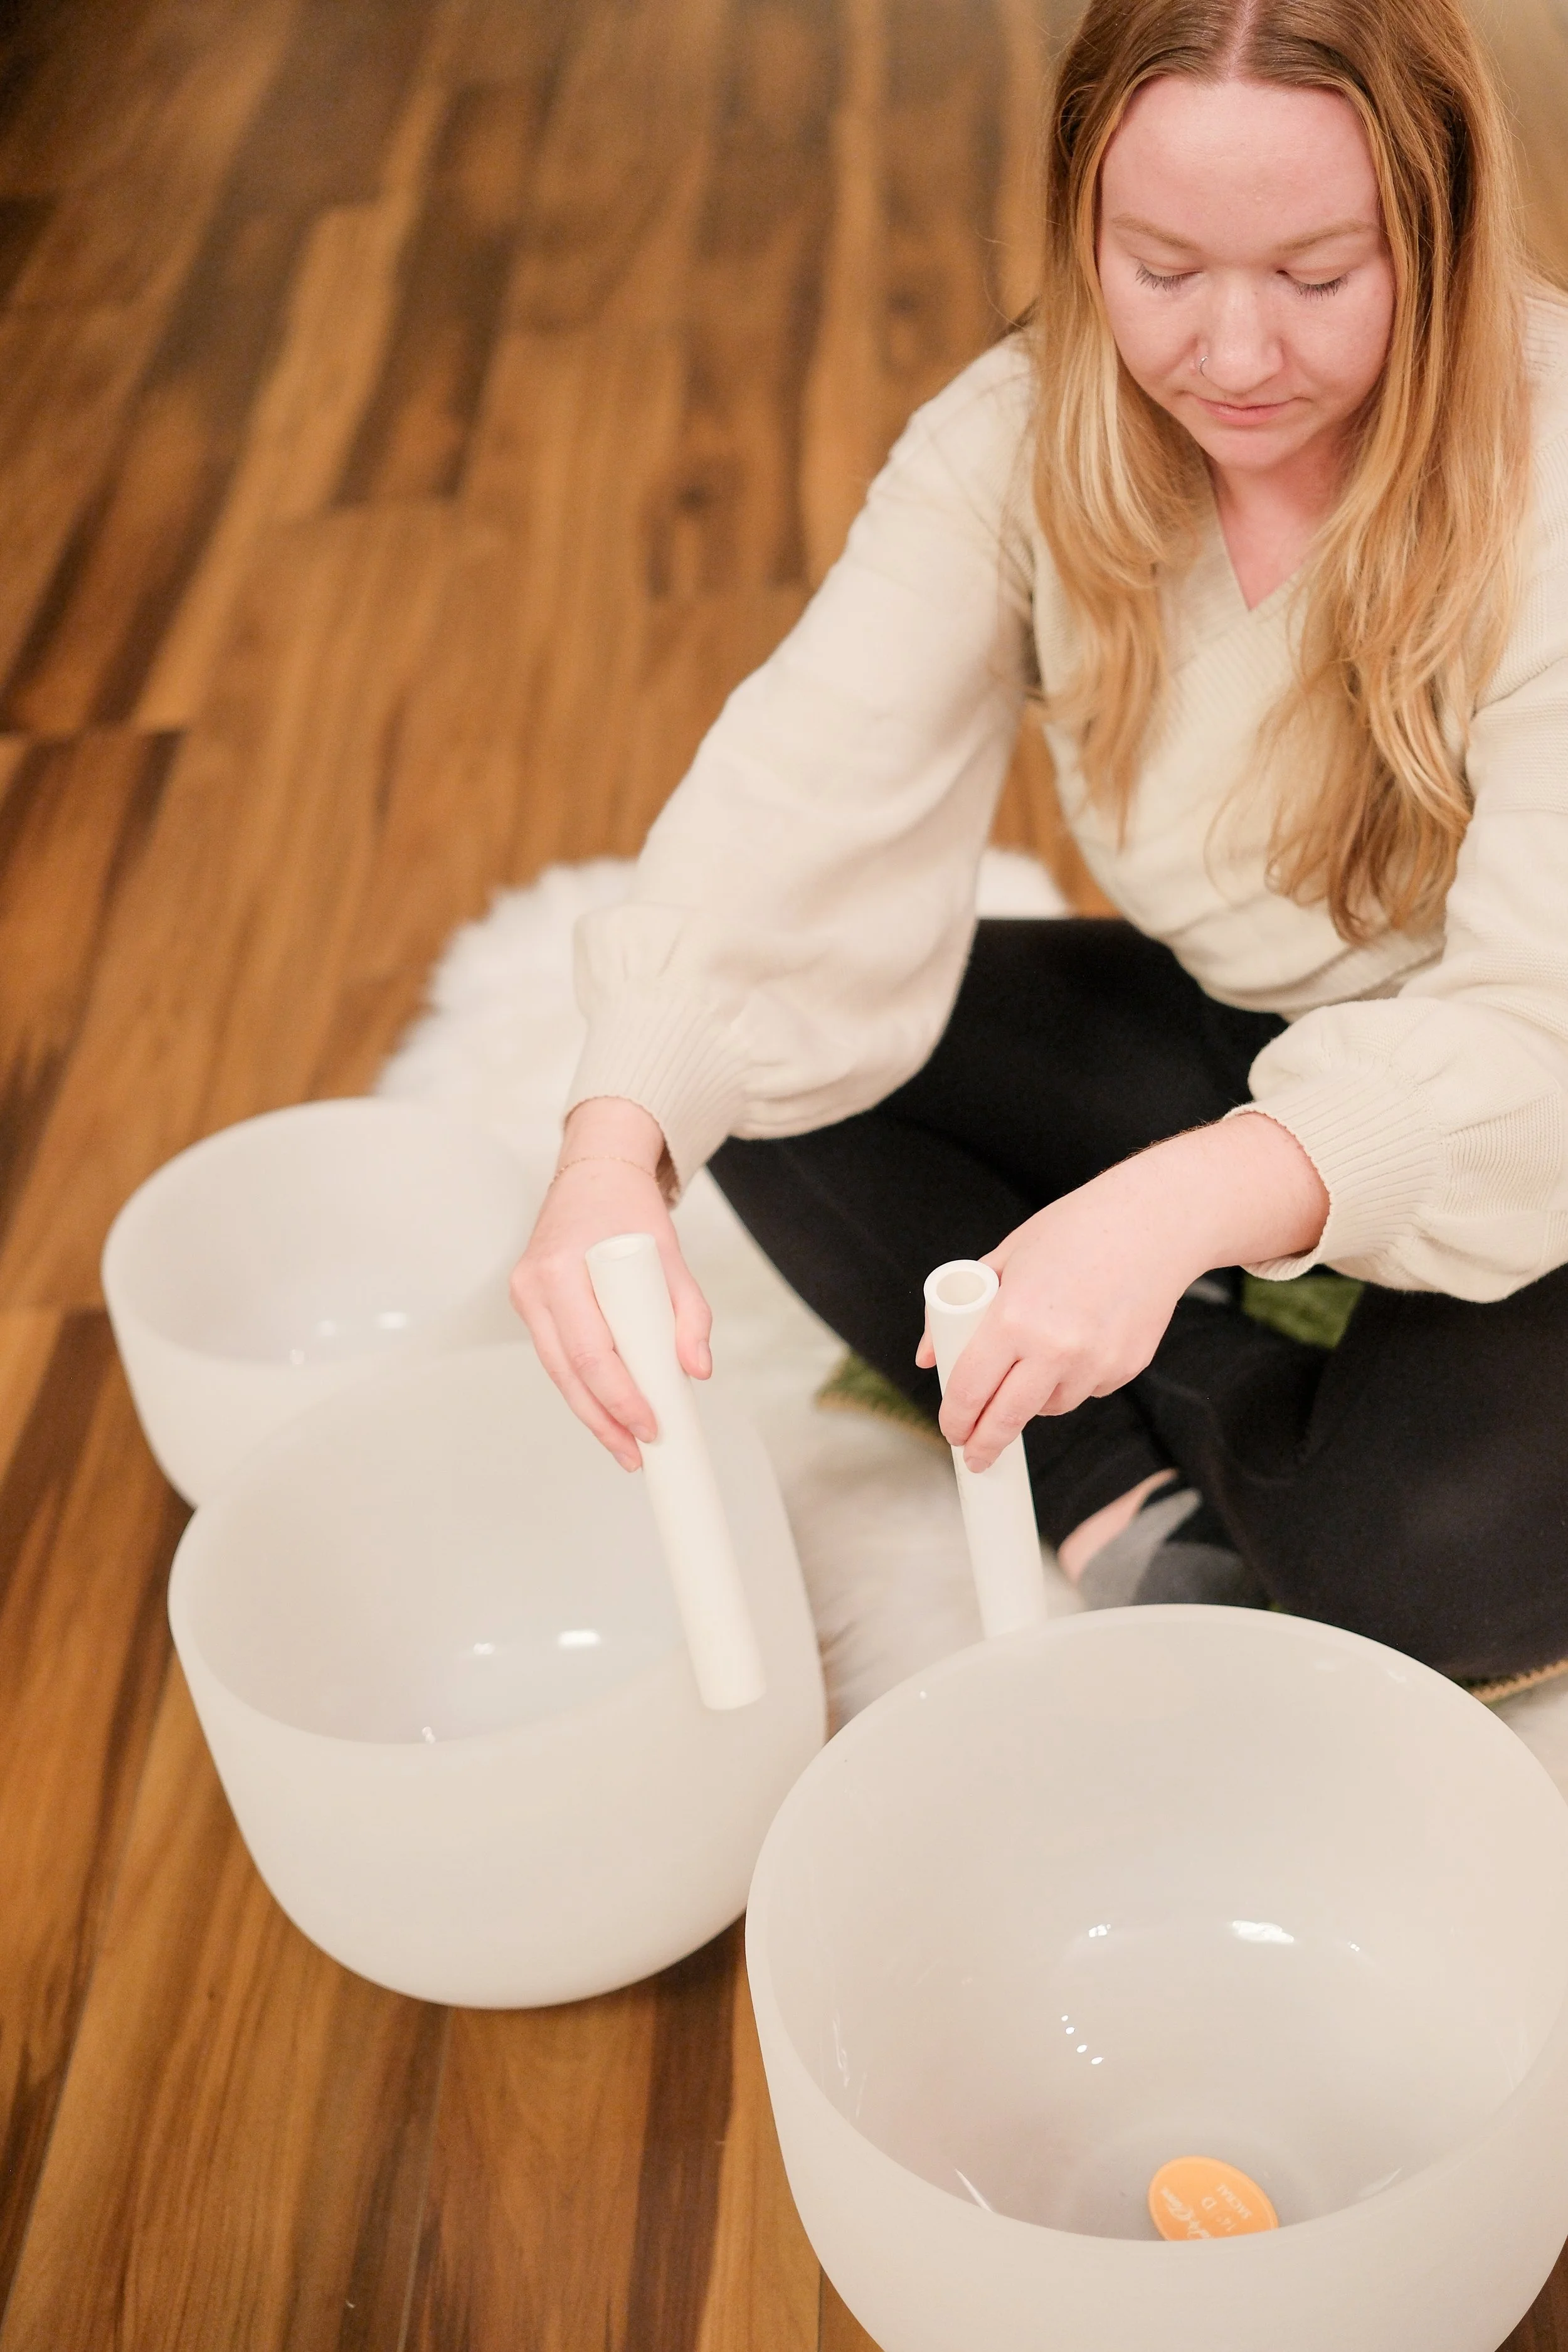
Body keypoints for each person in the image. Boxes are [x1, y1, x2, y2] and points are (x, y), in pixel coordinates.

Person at [512, 0, 1568, 1688]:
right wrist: (605, 1147)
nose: (1233, 355)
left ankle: (1185, 1354)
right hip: (1263, 1048)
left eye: (1314, 277)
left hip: (1531, 1124)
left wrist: (1165, 1215)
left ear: (1435, 236)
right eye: (1161, 270)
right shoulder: (1017, 435)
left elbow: (1539, 1038)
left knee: (1417, 1574)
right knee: (772, 1059)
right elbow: (793, 801)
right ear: (1083, 226)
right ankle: (1106, 1473)